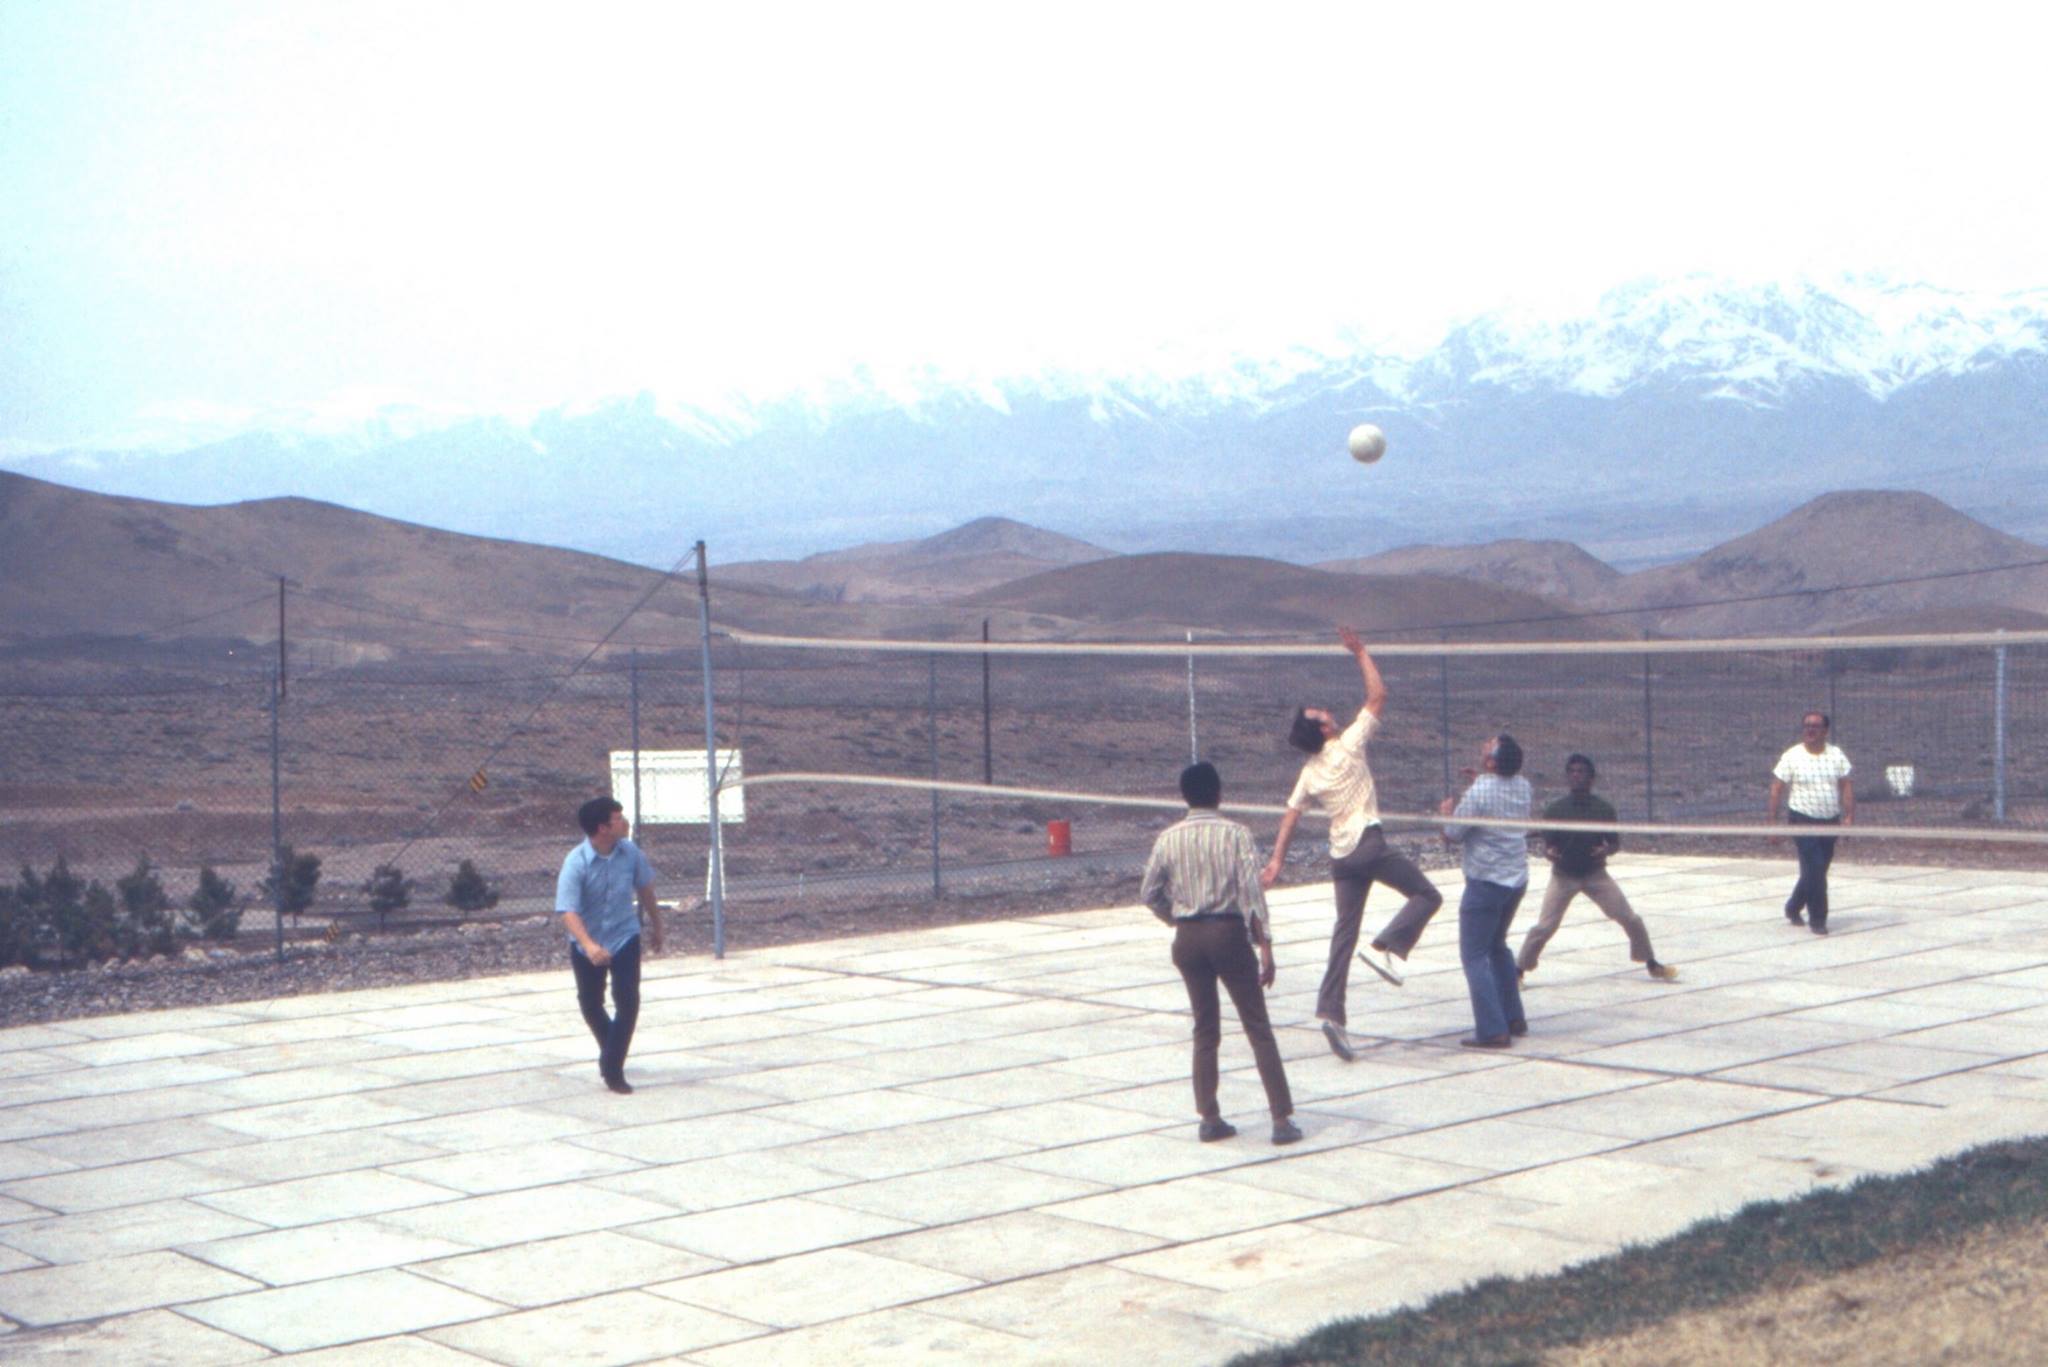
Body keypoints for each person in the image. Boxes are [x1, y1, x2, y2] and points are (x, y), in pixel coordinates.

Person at [1260, 627, 1442, 1064]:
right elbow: (1378, 695)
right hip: (1368, 842)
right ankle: (1386, 947)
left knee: (1344, 933)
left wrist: (1277, 860)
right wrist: (1360, 651)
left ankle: (1330, 1012)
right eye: (1321, 713)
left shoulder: (1309, 771)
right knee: (1427, 895)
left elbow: (1290, 814)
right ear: (1323, 728)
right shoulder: (1348, 745)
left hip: (1341, 856)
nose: (1328, 711)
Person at [1142, 762, 1302, 1146]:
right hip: (1227, 933)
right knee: (1257, 1027)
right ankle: (1280, 1119)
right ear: (1218, 793)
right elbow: (1251, 893)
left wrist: (1176, 917)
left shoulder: (1167, 839)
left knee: (1205, 1028)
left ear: (1185, 796)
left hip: (1188, 938)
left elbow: (1149, 893)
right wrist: (1265, 946)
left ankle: (1209, 1117)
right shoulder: (1236, 834)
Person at [1517, 754, 1678, 983]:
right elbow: (1548, 845)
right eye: (1572, 772)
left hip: (1595, 875)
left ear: (1591, 778)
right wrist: (1550, 853)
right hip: (1564, 876)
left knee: (1630, 918)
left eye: (1581, 772)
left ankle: (1652, 963)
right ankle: (1518, 970)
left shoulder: (1604, 809)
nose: (1576, 776)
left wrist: (1606, 851)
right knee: (1544, 926)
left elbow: (1614, 843)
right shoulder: (1556, 809)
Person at [556, 796, 663, 1093]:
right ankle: (611, 1050)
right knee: (590, 1003)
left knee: (628, 1000)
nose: (624, 822)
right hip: (587, 942)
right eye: (618, 818)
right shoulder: (575, 862)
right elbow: (567, 911)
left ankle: (613, 1070)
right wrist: (589, 946)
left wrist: (657, 925)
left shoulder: (631, 853)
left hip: (624, 935)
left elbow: (645, 889)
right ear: (603, 828)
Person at [1441, 733, 1531, 1049]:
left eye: (1488, 746)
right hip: (1516, 880)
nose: (1483, 746)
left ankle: (1493, 1030)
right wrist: (1479, 781)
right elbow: (1497, 796)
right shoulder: (1523, 786)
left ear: (1492, 763)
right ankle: (1513, 1017)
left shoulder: (1480, 791)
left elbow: (1453, 833)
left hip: (1485, 882)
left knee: (1474, 955)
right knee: (1497, 946)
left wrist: (1446, 814)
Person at [1767, 711, 1854, 936]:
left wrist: (1848, 817)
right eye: (1807, 725)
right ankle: (1818, 919)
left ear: (1825, 731)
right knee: (1814, 867)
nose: (1810, 730)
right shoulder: (1792, 756)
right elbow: (1777, 788)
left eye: (1815, 726)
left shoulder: (1836, 756)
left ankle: (1793, 906)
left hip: (1830, 821)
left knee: (1818, 869)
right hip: (1802, 819)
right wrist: (1772, 823)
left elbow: (1846, 786)